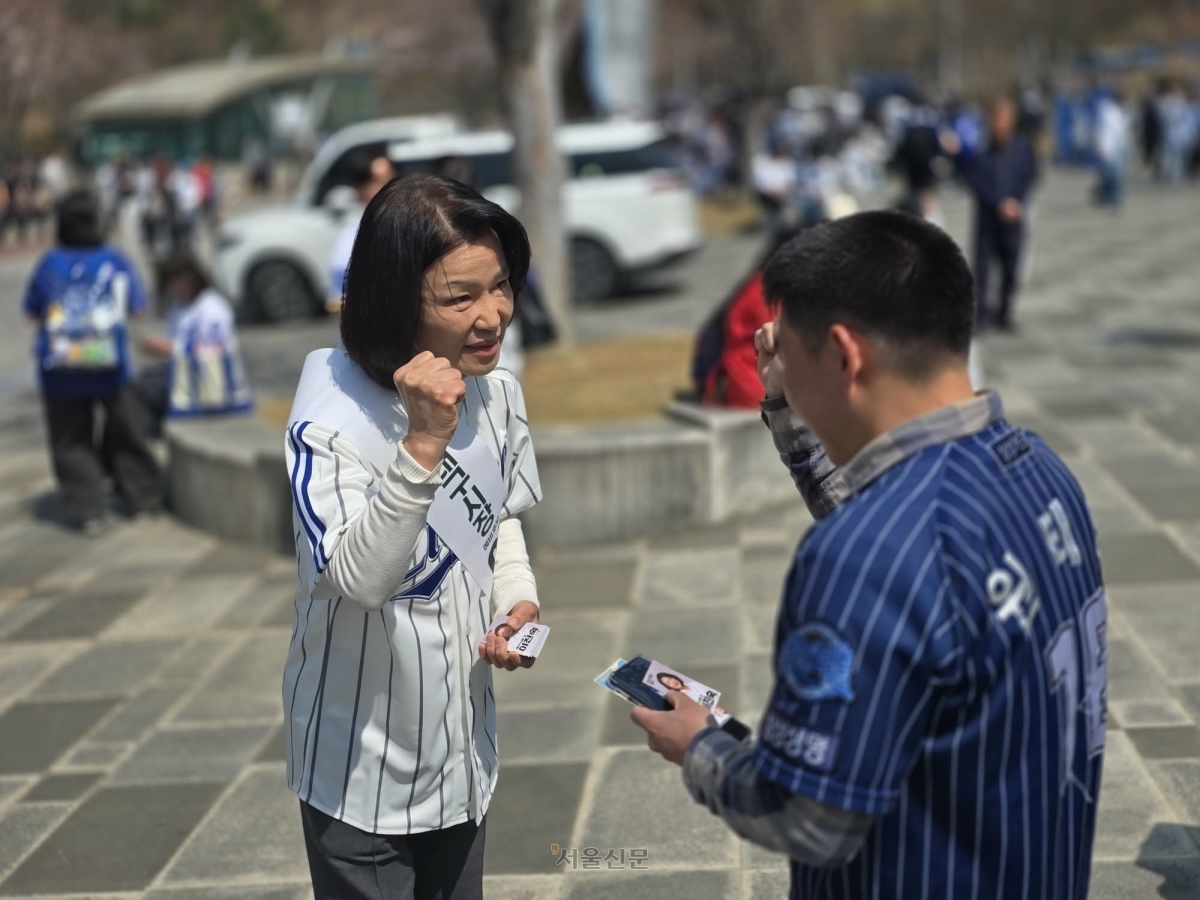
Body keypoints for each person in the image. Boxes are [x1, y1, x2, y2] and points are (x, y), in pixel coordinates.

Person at [631, 211, 1106, 900]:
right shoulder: (1040, 471)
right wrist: (787, 404)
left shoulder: (860, 558)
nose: (777, 368)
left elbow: (809, 816)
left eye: (786, 351)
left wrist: (701, 747)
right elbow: (908, 560)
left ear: (846, 354)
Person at [283, 174, 543, 900]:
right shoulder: (328, 417)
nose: (493, 315)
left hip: (462, 750)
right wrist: (425, 442)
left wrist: (516, 600)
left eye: (501, 286)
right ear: (396, 299)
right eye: (461, 298)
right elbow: (358, 580)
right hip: (359, 770)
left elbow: (503, 520)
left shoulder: (496, 389)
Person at [22, 189, 162, 534]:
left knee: (71, 440)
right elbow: (139, 308)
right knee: (127, 433)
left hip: (60, 371)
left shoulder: (48, 264)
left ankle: (88, 510)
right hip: (112, 367)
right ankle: (141, 499)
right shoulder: (114, 261)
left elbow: (30, 312)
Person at [138, 253, 252, 433]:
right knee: (139, 381)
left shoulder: (212, 308)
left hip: (209, 379)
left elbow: (214, 352)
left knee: (146, 388)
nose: (172, 290)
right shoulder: (180, 307)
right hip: (183, 372)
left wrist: (167, 349)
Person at [964, 97, 1037, 331]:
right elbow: (975, 182)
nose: (999, 126)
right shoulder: (981, 152)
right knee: (983, 270)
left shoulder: (1022, 150)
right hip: (988, 219)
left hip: (1014, 218)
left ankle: (1005, 313)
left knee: (1011, 268)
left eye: (1004, 121)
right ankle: (982, 315)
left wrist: (1017, 202)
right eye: (995, 121)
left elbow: (1029, 177)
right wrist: (998, 203)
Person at [327, 148, 396, 313]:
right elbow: (336, 303)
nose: (392, 187)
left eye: (393, 177)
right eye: (380, 181)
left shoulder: (404, 224)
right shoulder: (351, 240)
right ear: (359, 188)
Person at [1093, 90, 1131, 209]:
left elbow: (1125, 129)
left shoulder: (1122, 112)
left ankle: (1110, 197)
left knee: (1116, 175)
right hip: (1110, 146)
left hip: (1120, 146)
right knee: (1114, 175)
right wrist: (1101, 147)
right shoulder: (1107, 112)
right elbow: (1102, 132)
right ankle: (1114, 199)